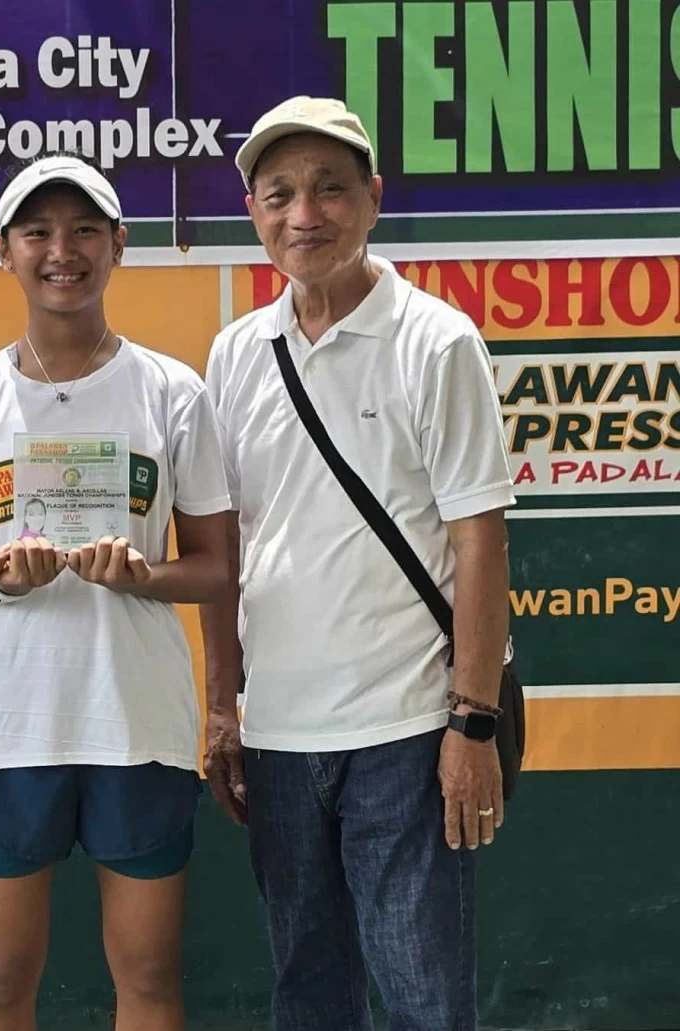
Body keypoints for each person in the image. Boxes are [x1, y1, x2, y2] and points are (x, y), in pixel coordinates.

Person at [199, 97, 516, 1031]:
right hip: (281, 738)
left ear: (374, 199)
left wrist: (473, 724)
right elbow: (227, 548)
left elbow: (479, 541)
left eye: (330, 189)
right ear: (255, 216)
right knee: (309, 994)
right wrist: (226, 710)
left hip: (409, 733)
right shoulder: (235, 354)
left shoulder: (436, 340)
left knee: (423, 999)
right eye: (280, 194)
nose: (305, 214)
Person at [0, 152, 231, 1031]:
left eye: (84, 228)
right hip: (8, 727)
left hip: (139, 722)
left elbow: (215, 565)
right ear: (2, 249)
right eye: (38, 231)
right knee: (1, 979)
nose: (62, 250)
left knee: (151, 976)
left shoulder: (175, 391)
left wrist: (143, 575)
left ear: (119, 244)